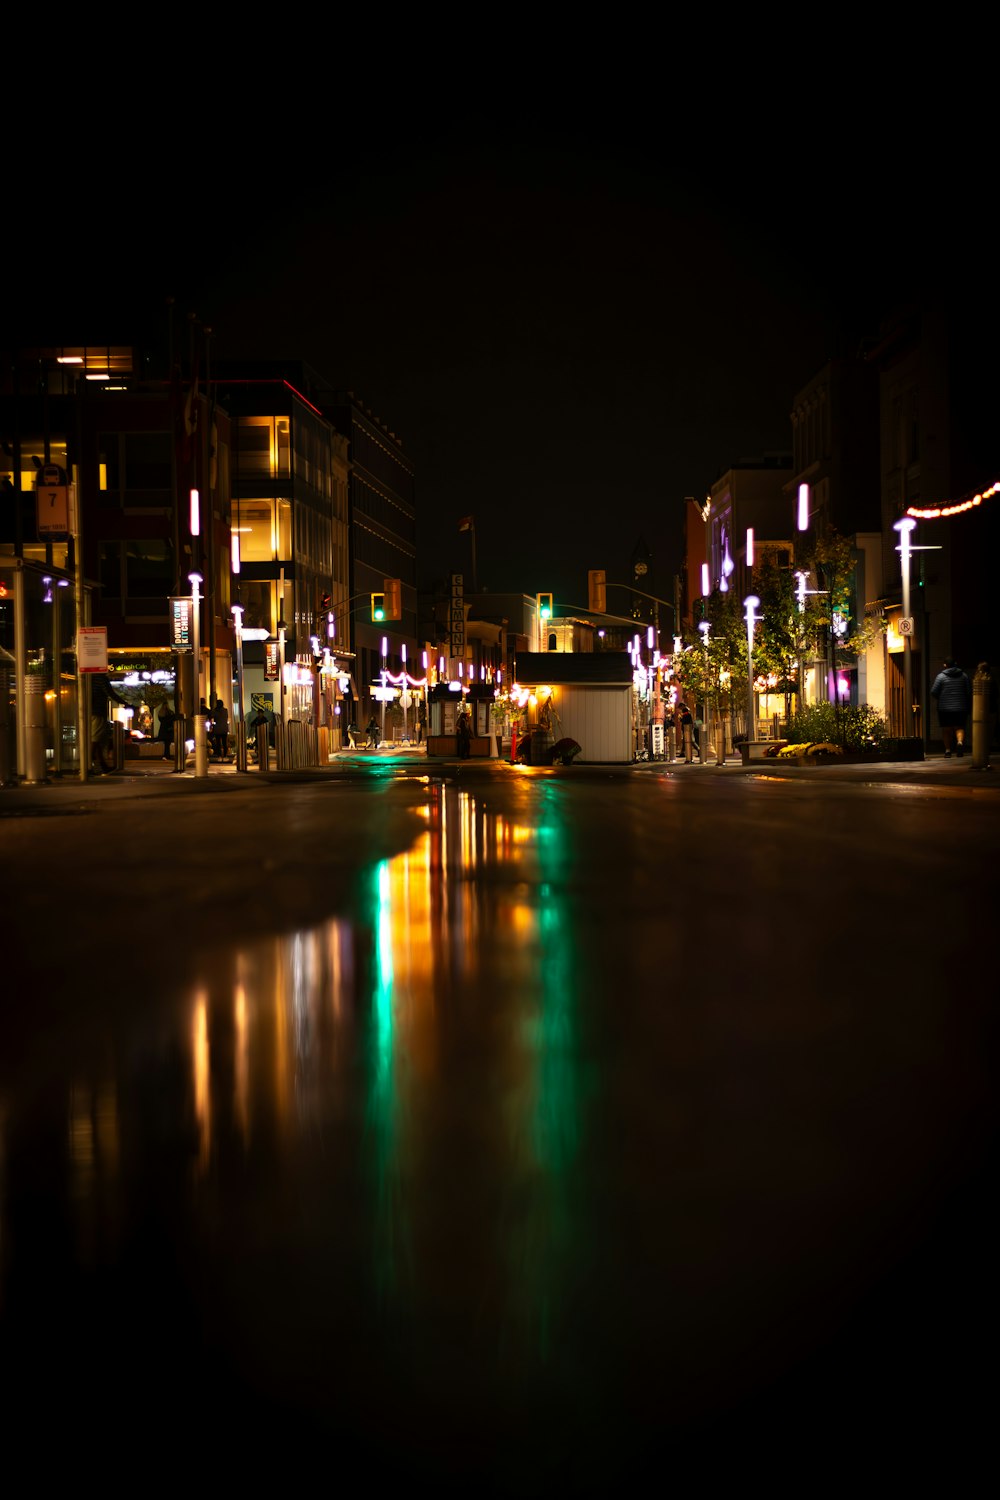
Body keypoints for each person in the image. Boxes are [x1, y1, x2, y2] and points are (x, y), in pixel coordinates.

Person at [930, 657, 972, 757]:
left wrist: (941, 698)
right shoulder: (964, 676)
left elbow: (933, 691)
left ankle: (948, 750)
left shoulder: (941, 677)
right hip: (961, 707)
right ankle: (960, 743)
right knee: (959, 727)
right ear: (956, 664)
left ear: (945, 665)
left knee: (946, 729)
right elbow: (969, 691)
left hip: (945, 708)